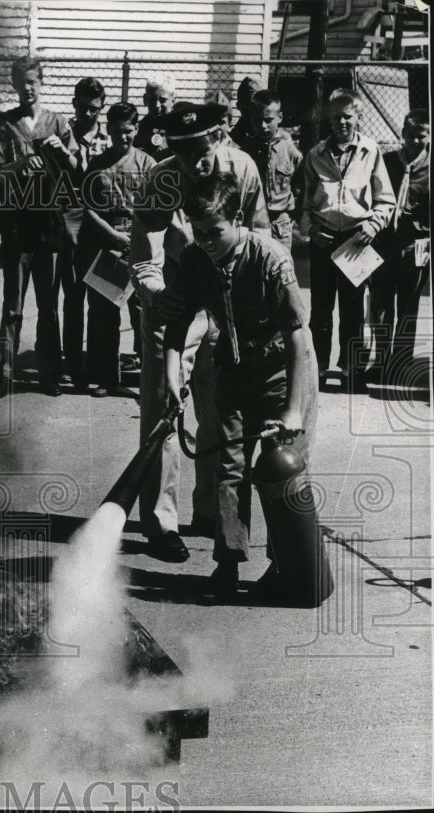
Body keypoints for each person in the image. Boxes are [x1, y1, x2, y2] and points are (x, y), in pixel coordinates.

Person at [164, 172, 317, 598]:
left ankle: (283, 564)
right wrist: (172, 378)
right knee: (228, 469)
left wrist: (292, 408)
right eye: (198, 232)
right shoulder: (195, 258)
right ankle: (228, 562)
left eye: (215, 232)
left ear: (237, 220)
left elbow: (297, 335)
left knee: (281, 470)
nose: (206, 241)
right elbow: (176, 325)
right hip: (232, 372)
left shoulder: (270, 257)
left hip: (280, 374)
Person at [130, 101, 270, 563]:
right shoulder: (161, 179)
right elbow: (144, 253)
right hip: (174, 302)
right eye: (182, 152)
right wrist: (154, 294)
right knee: (163, 410)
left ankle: (211, 512)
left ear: (219, 138)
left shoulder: (243, 169)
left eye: (200, 150)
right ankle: (161, 522)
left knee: (221, 408)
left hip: (226, 305)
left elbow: (261, 236)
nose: (193, 162)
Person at [0, 56, 77, 397]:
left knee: (48, 305)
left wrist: (62, 151)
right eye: (22, 81)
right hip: (17, 224)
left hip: (49, 223)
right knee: (13, 304)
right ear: (13, 84)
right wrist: (22, 163)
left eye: (33, 81)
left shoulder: (58, 122)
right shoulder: (4, 124)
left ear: (42, 82)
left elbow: (76, 168)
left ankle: (49, 373)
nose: (28, 88)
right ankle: (4, 373)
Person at [299, 88, 395, 390]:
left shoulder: (370, 151)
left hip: (356, 240)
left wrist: (373, 226)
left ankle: (351, 369)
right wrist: (311, 229)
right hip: (324, 239)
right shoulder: (315, 155)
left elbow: (385, 199)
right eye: (337, 117)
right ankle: (318, 368)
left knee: (353, 309)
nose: (342, 122)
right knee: (321, 308)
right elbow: (304, 205)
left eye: (348, 117)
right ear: (329, 119)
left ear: (358, 118)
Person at [77, 101, 155, 397]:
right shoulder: (98, 164)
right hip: (107, 243)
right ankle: (106, 378)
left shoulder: (147, 164)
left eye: (129, 130)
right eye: (118, 131)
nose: (124, 136)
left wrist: (135, 239)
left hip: (140, 245)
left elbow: (156, 209)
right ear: (109, 130)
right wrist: (112, 235)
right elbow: (87, 208)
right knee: (104, 313)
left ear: (137, 129)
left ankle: (150, 377)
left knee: (144, 313)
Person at [370, 109, 430, 382]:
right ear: (403, 134)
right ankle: (381, 360)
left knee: (408, 306)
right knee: (381, 304)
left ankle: (401, 365)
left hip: (416, 244)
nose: (416, 141)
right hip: (385, 243)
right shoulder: (387, 162)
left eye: (422, 136)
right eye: (411, 135)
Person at [59, 77, 108, 391]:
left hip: (102, 224)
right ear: (74, 103)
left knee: (102, 297)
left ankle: (99, 364)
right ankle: (74, 363)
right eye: (83, 107)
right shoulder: (64, 135)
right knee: (74, 296)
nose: (89, 114)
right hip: (73, 221)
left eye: (95, 108)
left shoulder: (108, 138)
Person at [241, 89, 302, 252]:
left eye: (268, 120)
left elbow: (302, 186)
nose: (263, 126)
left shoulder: (290, 151)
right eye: (257, 120)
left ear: (280, 117)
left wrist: (293, 215)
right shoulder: (245, 153)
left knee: (281, 262)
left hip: (280, 222)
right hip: (252, 221)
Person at [134, 75, 175, 160]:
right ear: (145, 99)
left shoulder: (179, 130)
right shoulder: (137, 130)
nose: (157, 105)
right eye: (152, 99)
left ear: (173, 100)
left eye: (162, 100)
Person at [229, 76, 262, 146]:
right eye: (247, 106)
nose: (251, 110)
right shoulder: (233, 139)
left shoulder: (270, 133)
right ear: (238, 106)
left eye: (255, 106)